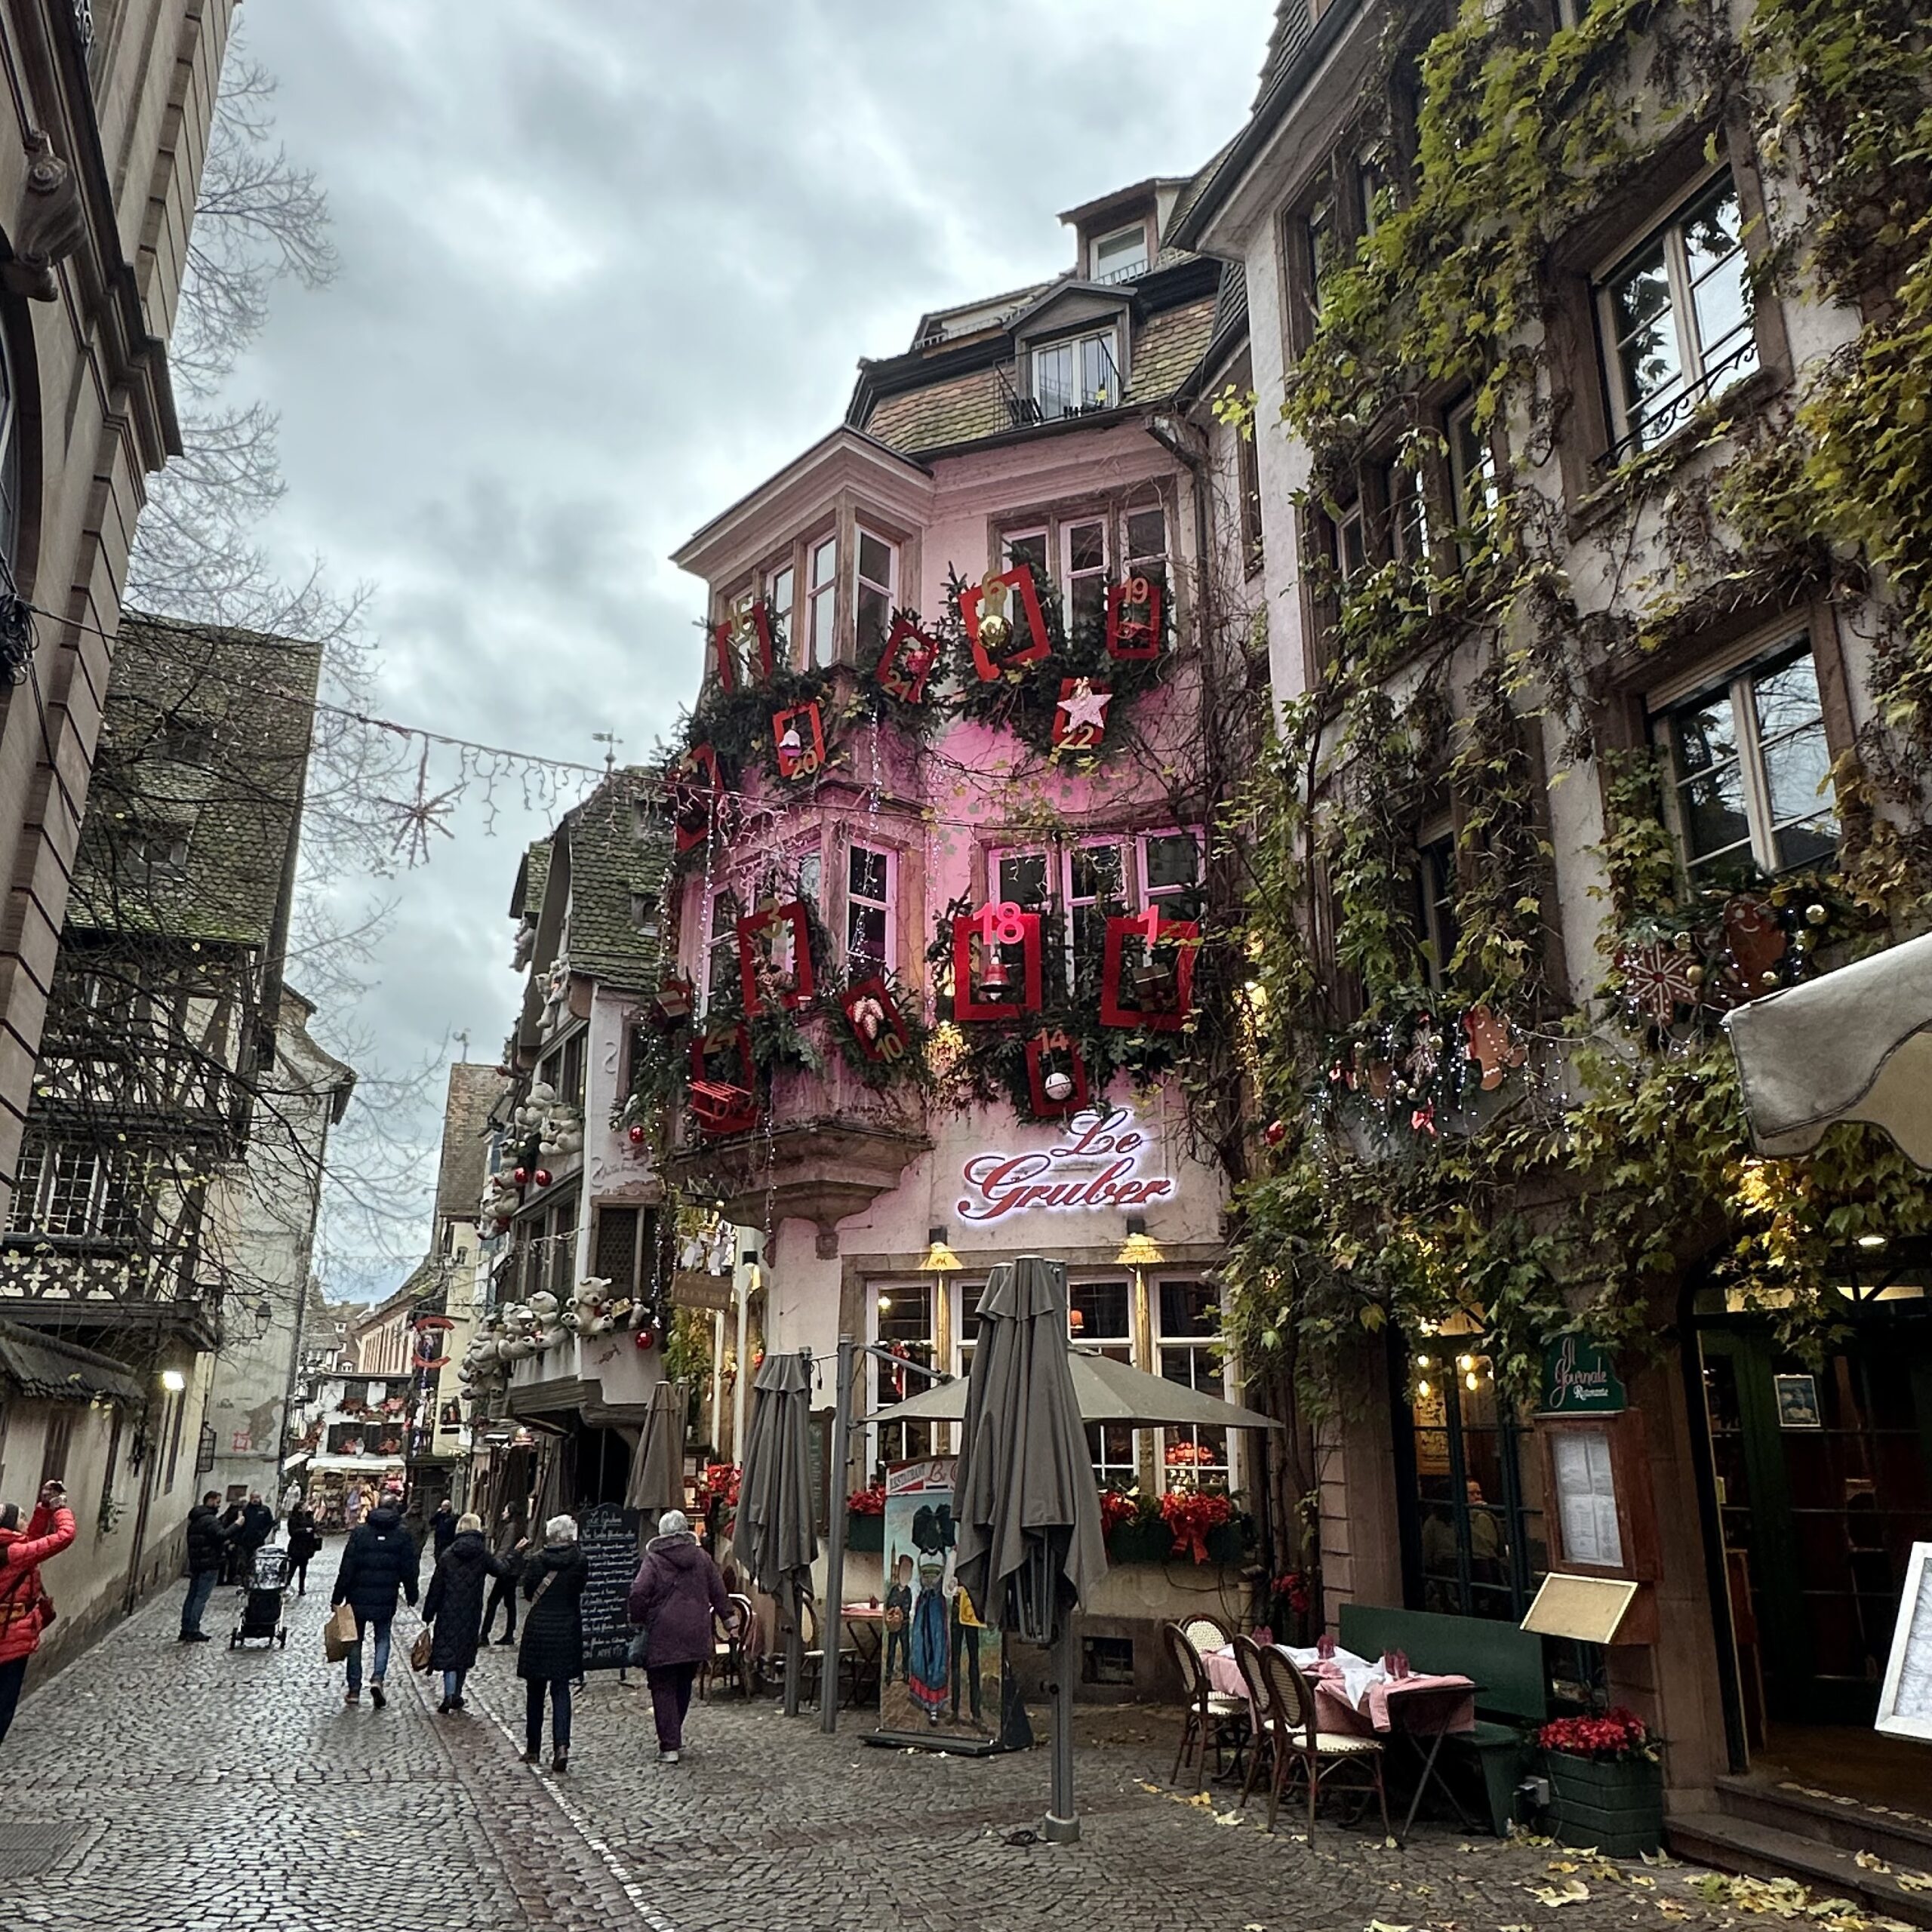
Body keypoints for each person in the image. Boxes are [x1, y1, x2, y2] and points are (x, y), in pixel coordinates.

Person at [627, 1508, 731, 1767]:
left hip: (663, 1632)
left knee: (662, 1686)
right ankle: (674, 1734)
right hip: (695, 1631)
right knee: (684, 1683)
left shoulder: (654, 1560)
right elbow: (719, 1590)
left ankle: (669, 1745)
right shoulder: (702, 1558)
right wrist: (730, 1621)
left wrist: (638, 1619)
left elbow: (638, 1592)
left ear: (662, 1533)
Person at [0, 1481, 76, 1745]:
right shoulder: (16, 1553)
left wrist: (44, 1507)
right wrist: (60, 1508)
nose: (26, 1521)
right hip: (10, 1639)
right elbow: (64, 1537)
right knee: (4, 1705)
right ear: (11, 1526)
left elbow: (31, 1540)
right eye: (22, 1518)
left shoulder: (11, 1549)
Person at [330, 1488, 420, 1709]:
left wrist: (337, 1596)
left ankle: (354, 1689)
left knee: (355, 1640)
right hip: (386, 1595)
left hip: (357, 1596)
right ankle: (378, 1678)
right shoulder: (402, 1534)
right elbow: (409, 1568)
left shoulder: (361, 1533)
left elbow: (347, 1567)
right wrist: (412, 1593)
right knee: (383, 1638)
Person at [423, 1512, 518, 1714]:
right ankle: (457, 1694)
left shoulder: (448, 1554)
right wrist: (514, 1554)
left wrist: (428, 1613)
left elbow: (436, 1586)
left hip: (448, 1610)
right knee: (464, 1652)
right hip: (471, 1611)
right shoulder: (482, 1554)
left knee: (449, 1652)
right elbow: (501, 1570)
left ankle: (449, 1694)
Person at [517, 1514, 587, 1772]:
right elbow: (579, 1589)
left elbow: (528, 1592)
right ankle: (562, 1747)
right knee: (561, 1690)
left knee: (535, 1691)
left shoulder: (537, 1560)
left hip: (538, 1630)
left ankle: (533, 1748)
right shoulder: (580, 1561)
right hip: (566, 1629)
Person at [180, 1491, 233, 1641]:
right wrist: (236, 1525)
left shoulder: (196, 1518)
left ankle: (185, 1628)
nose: (219, 1505)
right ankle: (193, 1629)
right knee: (201, 1597)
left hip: (197, 1562)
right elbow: (221, 1535)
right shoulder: (210, 1520)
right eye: (217, 1502)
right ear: (210, 1501)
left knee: (192, 1596)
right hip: (209, 1563)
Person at [481, 1506, 525, 1645]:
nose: (503, 1513)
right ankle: (508, 1634)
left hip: (507, 1570)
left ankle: (484, 1635)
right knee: (509, 1603)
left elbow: (505, 1549)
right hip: (511, 1569)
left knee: (494, 1602)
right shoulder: (514, 1526)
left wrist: (496, 1565)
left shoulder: (511, 1528)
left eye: (505, 1511)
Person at [285, 1499, 323, 1596]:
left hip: (306, 1547)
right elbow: (292, 1532)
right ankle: (286, 1585)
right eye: (305, 1506)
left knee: (303, 1569)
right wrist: (305, 1530)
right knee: (292, 1569)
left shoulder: (309, 1517)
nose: (307, 1507)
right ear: (300, 1509)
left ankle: (301, 1588)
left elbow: (314, 1528)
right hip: (296, 1547)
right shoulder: (294, 1519)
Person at [429, 1498, 457, 1562]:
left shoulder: (452, 1517)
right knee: (437, 1556)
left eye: (447, 1506)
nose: (445, 1508)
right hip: (438, 1540)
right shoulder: (439, 1515)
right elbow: (431, 1522)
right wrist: (438, 1513)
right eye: (444, 1506)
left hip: (447, 1541)